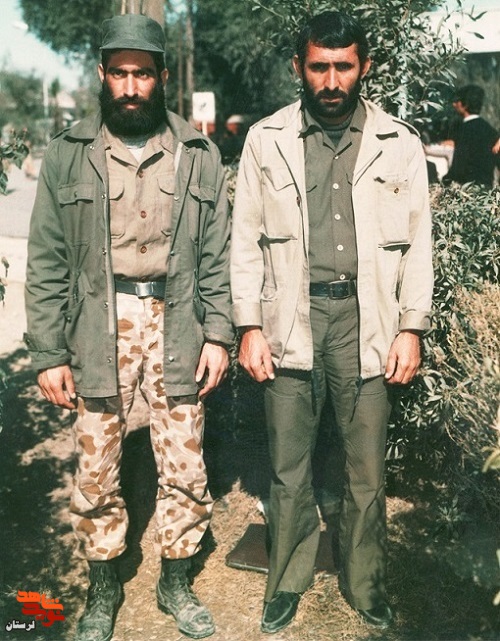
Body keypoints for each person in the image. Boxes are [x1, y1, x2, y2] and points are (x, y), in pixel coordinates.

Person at [24, 14, 232, 641]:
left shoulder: (198, 153)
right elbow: (47, 259)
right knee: (96, 463)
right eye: (120, 74)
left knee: (185, 460)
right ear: (102, 75)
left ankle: (175, 582)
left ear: (163, 76)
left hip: (178, 317)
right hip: (99, 320)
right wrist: (48, 353)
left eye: (143, 73)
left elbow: (218, 254)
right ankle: (102, 587)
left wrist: (218, 334)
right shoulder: (69, 154)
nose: (132, 87)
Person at [230, 10, 433, 635]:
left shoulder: (400, 143)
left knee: (365, 470)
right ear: (299, 67)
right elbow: (244, 242)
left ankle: (365, 583)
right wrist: (248, 325)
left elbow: (419, 245)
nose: (332, 81)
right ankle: (286, 582)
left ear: (363, 66)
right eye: (319, 67)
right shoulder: (266, 140)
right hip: (290, 318)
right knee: (288, 468)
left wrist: (411, 328)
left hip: (367, 321)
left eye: (344, 66)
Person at [442, 84, 499, 188]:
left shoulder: (463, 129)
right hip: (487, 189)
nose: (454, 104)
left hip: (468, 189)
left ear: (465, 105)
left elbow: (459, 164)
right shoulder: (490, 130)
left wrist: (446, 180)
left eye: (457, 101)